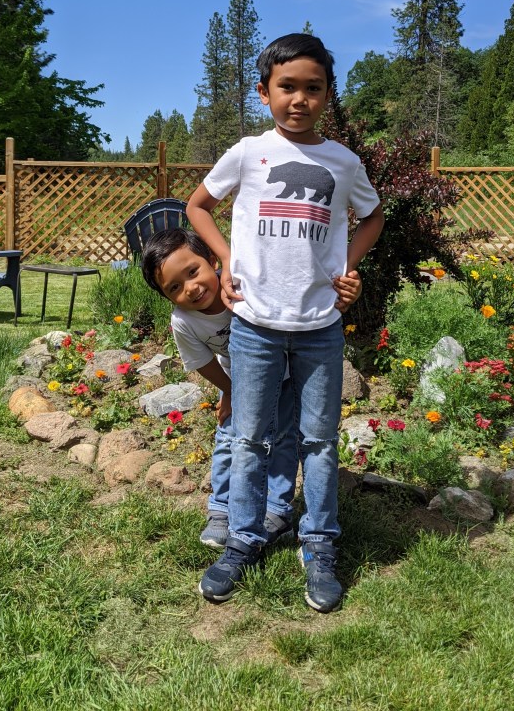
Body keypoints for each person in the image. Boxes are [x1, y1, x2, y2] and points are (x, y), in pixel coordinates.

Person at [186, 32, 384, 613]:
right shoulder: (249, 152)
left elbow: (372, 217)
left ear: (327, 94)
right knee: (249, 437)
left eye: (312, 88)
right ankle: (243, 539)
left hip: (320, 323)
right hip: (254, 322)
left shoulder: (343, 163)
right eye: (287, 87)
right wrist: (225, 259)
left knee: (319, 441)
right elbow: (198, 205)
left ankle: (319, 545)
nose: (300, 99)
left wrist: (349, 268)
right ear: (264, 92)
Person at [140, 227, 298, 549]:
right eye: (175, 287)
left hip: (284, 376)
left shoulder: (241, 287)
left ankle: (277, 510)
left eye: (192, 272)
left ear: (212, 260)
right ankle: (221, 510)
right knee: (228, 439)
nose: (191, 288)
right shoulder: (183, 321)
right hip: (238, 381)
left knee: (283, 439)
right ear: (167, 297)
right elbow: (202, 361)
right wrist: (231, 392)